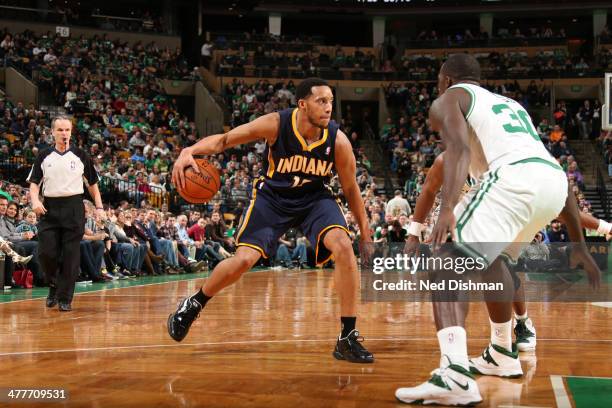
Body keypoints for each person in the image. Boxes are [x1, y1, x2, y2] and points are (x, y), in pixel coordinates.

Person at [395, 55, 600, 405]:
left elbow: (456, 148)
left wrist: (446, 211)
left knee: (444, 262)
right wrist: (579, 245)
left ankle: (454, 375)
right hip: (552, 182)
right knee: (496, 260)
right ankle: (503, 352)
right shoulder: (507, 104)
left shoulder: (449, 98)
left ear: (445, 80)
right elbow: (547, 170)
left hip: (514, 180)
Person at [168, 77, 374, 363]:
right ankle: (195, 302)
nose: (329, 108)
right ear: (303, 105)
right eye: (321, 101)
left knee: (343, 246)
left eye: (331, 101)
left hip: (314, 199)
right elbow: (225, 140)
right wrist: (188, 151)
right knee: (242, 261)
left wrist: (365, 232)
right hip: (273, 198)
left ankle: (347, 337)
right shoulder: (276, 124)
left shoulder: (338, 141)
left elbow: (350, 188)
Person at [405, 151, 612, 355]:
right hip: (468, 227)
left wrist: (604, 227)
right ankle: (463, 349)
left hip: (505, 220)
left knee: (503, 268)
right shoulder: (449, 160)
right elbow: (429, 191)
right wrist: (414, 234)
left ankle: (521, 324)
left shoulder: (504, 165)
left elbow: (561, 211)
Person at [27, 115, 104, 312]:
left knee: (71, 255)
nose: (64, 134)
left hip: (74, 208)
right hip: (49, 208)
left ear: (71, 132)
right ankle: (53, 284)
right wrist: (35, 200)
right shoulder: (44, 155)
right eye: (60, 130)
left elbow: (93, 184)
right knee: (46, 253)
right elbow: (34, 183)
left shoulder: (81, 155)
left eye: (67, 130)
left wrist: (100, 208)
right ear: (52, 132)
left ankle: (65, 297)